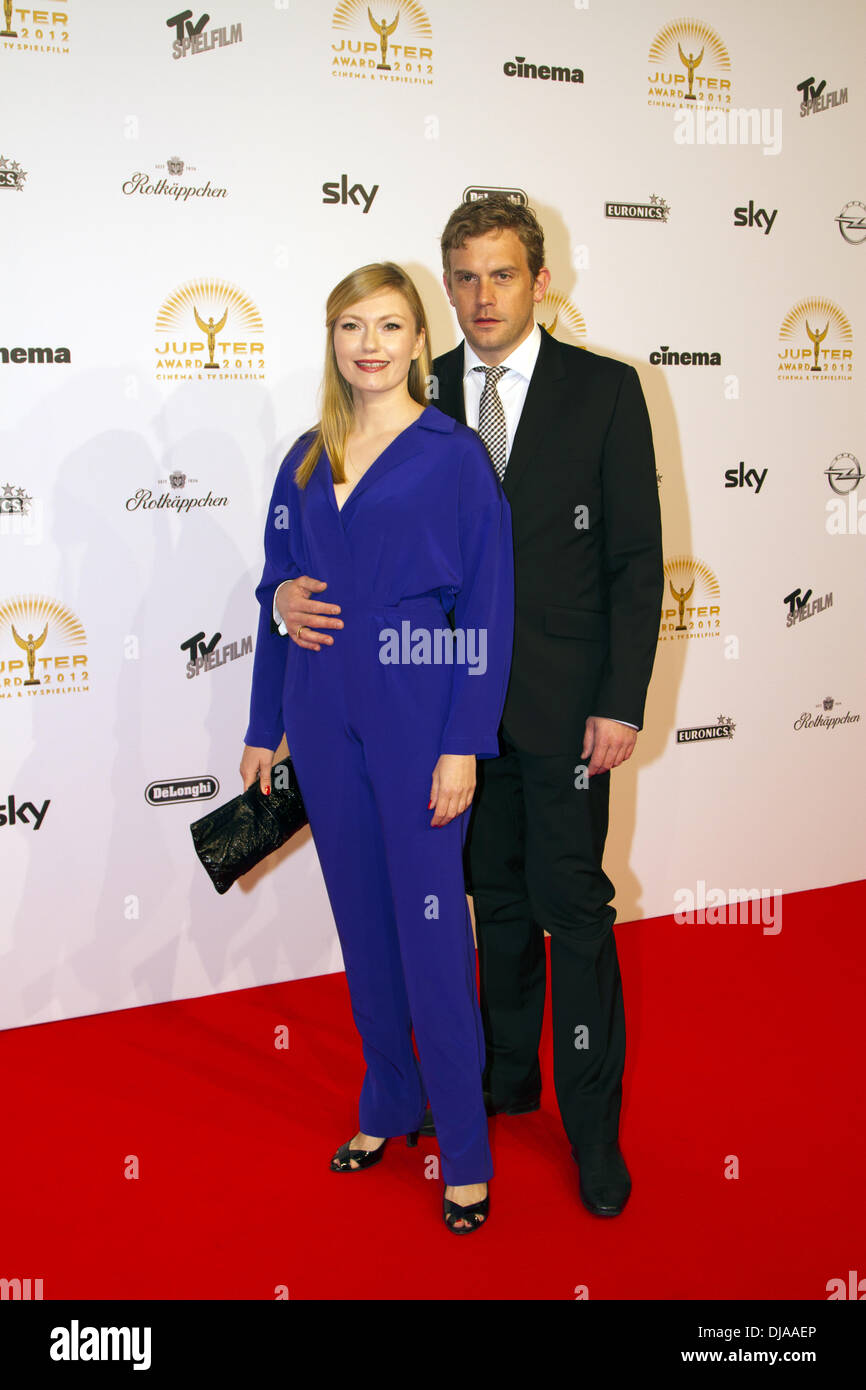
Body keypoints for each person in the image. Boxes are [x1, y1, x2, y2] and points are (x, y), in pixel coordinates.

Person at [241, 262, 514, 1233]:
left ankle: (465, 1150)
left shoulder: (452, 456)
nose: (368, 343)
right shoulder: (305, 459)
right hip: (318, 710)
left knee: (434, 933)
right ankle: (389, 1103)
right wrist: (261, 723)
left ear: (416, 339)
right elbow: (276, 590)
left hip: (415, 706)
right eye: (350, 325)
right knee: (363, 925)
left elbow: (485, 605)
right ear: (332, 339)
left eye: (389, 325)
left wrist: (461, 743)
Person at [424, 195, 663, 1216]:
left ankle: (592, 1131)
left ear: (540, 281)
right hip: (455, 716)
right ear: (446, 286)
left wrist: (617, 700)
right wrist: (293, 588)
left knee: (573, 909)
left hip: (568, 713)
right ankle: (505, 1077)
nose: (482, 296)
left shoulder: (604, 391)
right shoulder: (416, 387)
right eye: (465, 277)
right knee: (496, 903)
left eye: (501, 274)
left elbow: (632, 561)